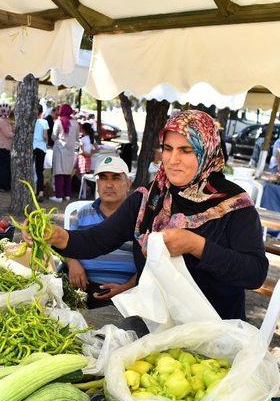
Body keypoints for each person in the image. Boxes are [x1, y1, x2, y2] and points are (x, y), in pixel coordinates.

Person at [27, 110, 268, 321]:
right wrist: (56, 236)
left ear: (207, 152)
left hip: (216, 330)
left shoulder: (235, 206)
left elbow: (254, 273)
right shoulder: (150, 199)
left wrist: (196, 245)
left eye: (186, 150)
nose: (173, 160)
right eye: (168, 149)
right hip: (154, 322)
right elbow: (95, 240)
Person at [64, 156, 137, 308]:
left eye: (116, 178)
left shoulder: (139, 216)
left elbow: (149, 265)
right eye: (103, 178)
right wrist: (73, 263)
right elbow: (68, 245)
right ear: (97, 184)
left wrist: (126, 288)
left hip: (128, 296)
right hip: (83, 291)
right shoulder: (83, 213)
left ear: (128, 184)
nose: (109, 185)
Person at [50, 104, 78, 202]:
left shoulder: (58, 121)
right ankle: (67, 194)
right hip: (70, 150)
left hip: (59, 149)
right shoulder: (75, 123)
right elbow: (77, 137)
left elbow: (53, 137)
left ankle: (58, 196)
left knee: (59, 172)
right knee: (67, 173)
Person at [0, 102, 13, 192]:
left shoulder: (4, 120)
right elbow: (8, 134)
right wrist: (17, 133)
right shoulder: (1, 121)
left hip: (5, 147)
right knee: (1, 169)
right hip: (3, 147)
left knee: (4, 168)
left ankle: (2, 186)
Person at [32, 104, 50, 200]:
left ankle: (30, 190)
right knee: (39, 171)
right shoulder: (44, 122)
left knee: (30, 169)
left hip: (32, 147)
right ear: (41, 112)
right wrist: (46, 142)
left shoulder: (31, 122)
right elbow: (45, 136)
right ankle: (40, 192)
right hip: (41, 148)